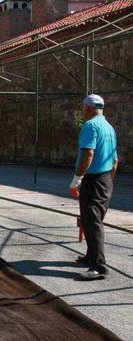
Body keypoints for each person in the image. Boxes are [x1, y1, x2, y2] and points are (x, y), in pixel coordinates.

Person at [69, 94, 118, 280]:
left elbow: (88, 154)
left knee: (93, 221)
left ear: (88, 108)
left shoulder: (90, 125)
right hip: (105, 179)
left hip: (93, 179)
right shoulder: (109, 127)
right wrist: (109, 181)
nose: (83, 112)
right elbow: (115, 159)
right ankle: (91, 256)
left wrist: (77, 179)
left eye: (83, 109)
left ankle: (99, 266)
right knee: (91, 219)